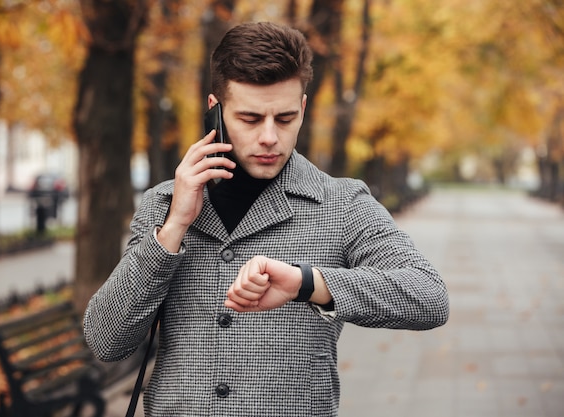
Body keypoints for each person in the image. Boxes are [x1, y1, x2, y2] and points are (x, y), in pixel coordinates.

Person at [83, 21, 449, 417]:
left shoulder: (340, 203)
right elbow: (106, 341)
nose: (270, 138)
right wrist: (173, 228)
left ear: (303, 109)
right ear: (215, 112)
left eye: (286, 118)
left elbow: (428, 295)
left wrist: (308, 283)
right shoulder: (163, 204)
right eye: (251, 119)